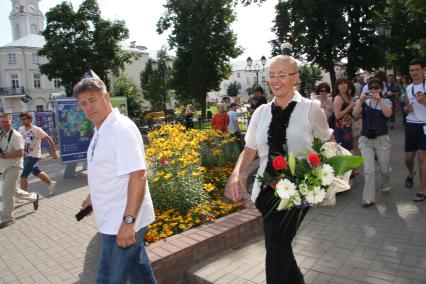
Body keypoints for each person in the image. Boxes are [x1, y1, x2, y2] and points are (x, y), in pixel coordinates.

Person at [228, 55, 332, 283]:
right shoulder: (261, 112)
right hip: (265, 190)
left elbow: (328, 143)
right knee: (279, 245)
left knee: (275, 244)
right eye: (272, 75)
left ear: (295, 78)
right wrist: (236, 174)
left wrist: (325, 175)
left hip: (299, 191)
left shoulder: (311, 109)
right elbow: (250, 149)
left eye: (282, 75)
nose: (276, 80)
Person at [73, 77, 157, 283]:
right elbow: (108, 170)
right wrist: (93, 196)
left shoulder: (120, 129)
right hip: (112, 217)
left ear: (106, 97)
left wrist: (128, 223)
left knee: (108, 278)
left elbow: (138, 176)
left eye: (93, 100)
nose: (88, 107)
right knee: (139, 272)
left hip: (121, 221)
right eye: (84, 103)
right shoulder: (101, 128)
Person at [353, 78, 393, 207]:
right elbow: (354, 114)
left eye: (377, 87)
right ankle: (368, 198)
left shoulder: (386, 101)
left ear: (381, 89)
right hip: (366, 140)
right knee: (369, 170)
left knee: (384, 168)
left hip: (382, 140)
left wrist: (380, 100)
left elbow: (388, 114)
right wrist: (360, 101)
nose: (374, 90)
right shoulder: (365, 103)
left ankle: (386, 183)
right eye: (372, 88)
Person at [0, 113, 39, 229]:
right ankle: (33, 197)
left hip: (14, 166)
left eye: (7, 121)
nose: (5, 124)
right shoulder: (1, 134)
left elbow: (21, 153)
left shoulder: (15, 135)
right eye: (2, 122)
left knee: (7, 192)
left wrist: (3, 155)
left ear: (11, 122)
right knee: (12, 190)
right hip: (4, 167)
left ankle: (8, 218)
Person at [403, 58, 426, 202]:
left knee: (423, 157)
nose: (414, 72)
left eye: (417, 69)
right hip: (411, 124)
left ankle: (422, 188)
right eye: (412, 70)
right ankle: (411, 173)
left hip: (425, 125)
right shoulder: (408, 87)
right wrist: (407, 109)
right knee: (408, 158)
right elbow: (406, 106)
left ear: (424, 70)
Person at [19, 112, 58, 195]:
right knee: (35, 171)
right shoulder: (20, 129)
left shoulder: (37, 129)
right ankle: (51, 183)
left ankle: (23, 195)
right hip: (25, 155)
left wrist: (54, 152)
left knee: (23, 175)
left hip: (34, 155)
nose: (23, 121)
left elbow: (49, 139)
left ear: (30, 119)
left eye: (25, 119)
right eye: (22, 119)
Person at [333, 78, 355, 151]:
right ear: (337, 87)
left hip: (348, 128)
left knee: (349, 151)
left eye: (344, 83)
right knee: (343, 152)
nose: (343, 85)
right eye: (340, 84)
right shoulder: (338, 98)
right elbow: (337, 115)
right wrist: (350, 106)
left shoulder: (348, 96)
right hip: (341, 130)